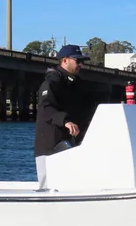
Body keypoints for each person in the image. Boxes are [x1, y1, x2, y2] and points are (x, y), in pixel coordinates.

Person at [33, 44, 94, 188]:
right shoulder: (52, 82)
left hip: (70, 144)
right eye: (77, 61)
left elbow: (84, 111)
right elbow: (46, 107)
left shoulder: (76, 85)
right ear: (65, 60)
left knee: (71, 183)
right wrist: (65, 121)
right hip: (50, 144)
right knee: (48, 185)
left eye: (82, 62)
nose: (81, 64)